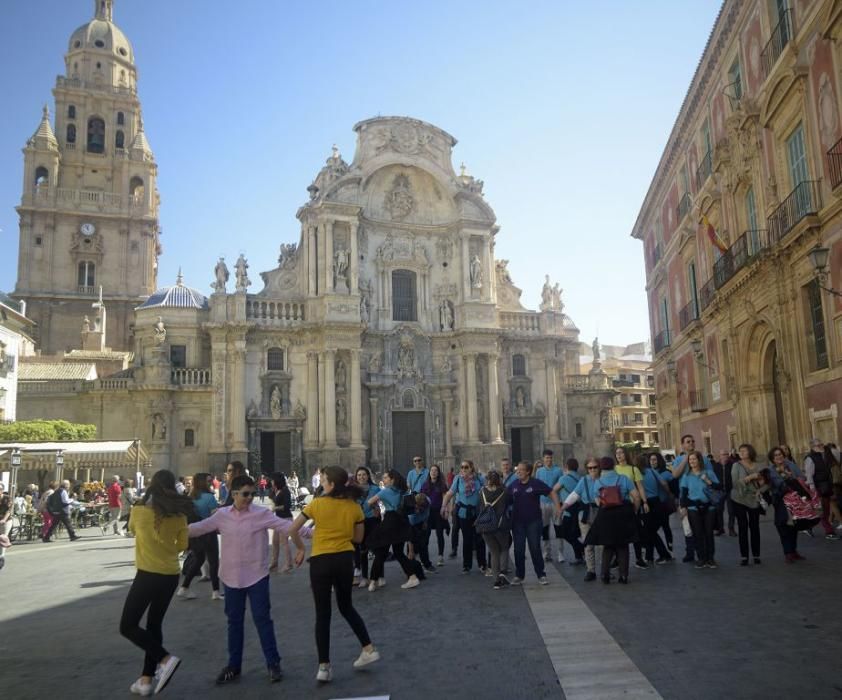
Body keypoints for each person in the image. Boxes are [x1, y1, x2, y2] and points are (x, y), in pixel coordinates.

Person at [189, 475, 307, 685]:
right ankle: (234, 666)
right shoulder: (221, 515)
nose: (250, 497)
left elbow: (286, 526)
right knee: (234, 623)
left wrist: (318, 532)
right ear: (233, 494)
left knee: (263, 620)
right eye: (245, 494)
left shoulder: (261, 514)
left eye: (252, 494)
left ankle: (273, 663)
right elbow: (199, 528)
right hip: (231, 577)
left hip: (256, 577)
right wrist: (171, 531)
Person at [289, 466, 380, 683]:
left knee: (322, 614)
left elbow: (293, 529)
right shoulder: (354, 507)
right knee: (346, 606)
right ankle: (368, 649)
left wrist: (301, 548)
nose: (320, 482)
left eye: (322, 479)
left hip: (320, 561)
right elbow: (358, 539)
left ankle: (324, 667)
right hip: (343, 561)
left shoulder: (317, 504)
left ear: (330, 484)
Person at [119, 469, 193, 696]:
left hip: (147, 575)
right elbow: (182, 546)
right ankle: (145, 680)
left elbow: (131, 530)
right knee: (154, 625)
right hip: (170, 576)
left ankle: (165, 659)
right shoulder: (180, 516)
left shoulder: (139, 511)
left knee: (128, 626)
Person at [586, 457, 639, 584]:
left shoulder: (598, 482)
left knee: (608, 545)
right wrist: (634, 511)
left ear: (601, 467)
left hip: (606, 516)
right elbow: (636, 496)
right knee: (623, 545)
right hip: (623, 514)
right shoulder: (624, 479)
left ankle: (605, 575)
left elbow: (598, 501)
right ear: (614, 465)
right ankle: (623, 576)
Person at [507, 460, 561, 585]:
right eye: (517, 469)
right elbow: (505, 499)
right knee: (518, 549)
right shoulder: (514, 485)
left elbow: (551, 492)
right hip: (517, 523)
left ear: (528, 472)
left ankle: (541, 574)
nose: (518, 471)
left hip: (534, 522)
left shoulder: (535, 484)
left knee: (535, 548)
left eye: (521, 469)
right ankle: (519, 575)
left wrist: (557, 507)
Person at [366, 469, 421, 590]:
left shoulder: (385, 492)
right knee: (398, 552)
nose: (383, 480)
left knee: (380, 552)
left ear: (392, 480)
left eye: (385, 478)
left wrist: (375, 507)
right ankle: (412, 577)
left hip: (390, 522)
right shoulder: (402, 491)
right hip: (401, 522)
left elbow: (369, 503)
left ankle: (373, 581)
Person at [177, 473, 222, 600]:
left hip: (194, 533)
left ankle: (184, 588)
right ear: (202, 482)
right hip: (208, 532)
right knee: (213, 562)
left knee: (199, 560)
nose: (210, 483)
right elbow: (215, 517)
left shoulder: (190, 497)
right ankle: (216, 592)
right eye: (208, 481)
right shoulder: (209, 498)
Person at [763, 448, 812, 562]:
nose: (778, 457)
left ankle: (793, 551)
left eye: (780, 454)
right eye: (775, 455)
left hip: (795, 500)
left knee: (795, 525)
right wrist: (786, 480)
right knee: (782, 525)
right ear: (772, 459)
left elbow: (802, 477)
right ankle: (787, 552)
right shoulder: (770, 470)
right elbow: (772, 485)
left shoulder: (790, 465)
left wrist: (793, 477)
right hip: (781, 500)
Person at [441, 460, 487, 574]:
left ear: (471, 468)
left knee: (480, 539)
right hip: (464, 512)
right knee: (467, 539)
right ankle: (467, 565)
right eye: (461, 467)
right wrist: (443, 506)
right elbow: (449, 493)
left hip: (478, 512)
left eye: (466, 467)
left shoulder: (479, 479)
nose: (463, 469)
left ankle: (483, 564)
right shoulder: (458, 479)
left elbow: (487, 491)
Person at [679, 451, 721, 569]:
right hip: (693, 507)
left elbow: (719, 487)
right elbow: (683, 494)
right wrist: (683, 508)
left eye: (694, 459)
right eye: (690, 460)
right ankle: (701, 558)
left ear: (699, 460)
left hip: (709, 507)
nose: (692, 461)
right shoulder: (686, 476)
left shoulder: (709, 473)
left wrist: (708, 481)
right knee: (698, 534)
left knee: (709, 533)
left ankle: (710, 558)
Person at [560, 458, 601, 581]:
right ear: (587, 469)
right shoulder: (583, 480)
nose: (592, 470)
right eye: (590, 468)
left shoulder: (603, 480)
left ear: (599, 468)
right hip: (585, 514)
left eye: (595, 467)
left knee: (603, 544)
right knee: (588, 543)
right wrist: (563, 507)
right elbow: (574, 495)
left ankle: (605, 569)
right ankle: (591, 570)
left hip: (601, 514)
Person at [614, 447, 649, 570]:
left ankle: (639, 558)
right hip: (617, 505)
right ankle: (618, 559)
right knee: (618, 534)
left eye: (621, 452)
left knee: (636, 532)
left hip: (632, 504)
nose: (619, 455)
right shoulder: (613, 469)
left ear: (626, 454)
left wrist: (644, 502)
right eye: (617, 453)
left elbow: (640, 487)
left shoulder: (633, 469)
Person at [731, 443, 765, 565]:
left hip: (753, 498)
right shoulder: (736, 465)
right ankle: (744, 556)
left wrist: (760, 490)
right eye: (740, 451)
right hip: (739, 499)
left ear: (750, 452)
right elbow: (735, 483)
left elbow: (764, 482)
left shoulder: (758, 466)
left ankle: (756, 555)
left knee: (755, 527)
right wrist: (750, 477)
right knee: (742, 527)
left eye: (744, 451)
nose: (741, 453)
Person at [478, 470, 511, 589]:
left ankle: (496, 580)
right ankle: (503, 572)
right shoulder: (504, 491)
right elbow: (510, 504)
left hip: (485, 526)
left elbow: (479, 507)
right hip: (501, 525)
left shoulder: (481, 491)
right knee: (504, 548)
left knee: (494, 551)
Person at [804, 438, 841, 539]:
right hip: (818, 488)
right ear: (812, 447)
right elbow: (809, 475)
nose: (821, 447)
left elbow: (837, 456)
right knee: (823, 511)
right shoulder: (810, 458)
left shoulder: (825, 455)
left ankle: (808, 526)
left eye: (822, 444)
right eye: (818, 445)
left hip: (826, 486)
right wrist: (813, 490)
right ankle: (829, 532)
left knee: (825, 510)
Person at [640, 455, 673, 564]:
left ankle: (663, 555)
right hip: (656, 501)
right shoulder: (652, 471)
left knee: (649, 530)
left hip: (645, 503)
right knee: (650, 530)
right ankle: (651, 556)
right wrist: (668, 494)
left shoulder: (637, 473)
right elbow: (663, 483)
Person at [353, 467, 380, 588]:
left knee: (376, 548)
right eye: (359, 475)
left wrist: (377, 509)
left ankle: (379, 575)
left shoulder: (375, 488)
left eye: (364, 475)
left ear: (368, 476)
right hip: (360, 521)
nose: (361, 477)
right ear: (356, 477)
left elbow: (382, 501)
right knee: (362, 549)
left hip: (373, 520)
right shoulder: (353, 490)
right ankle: (364, 577)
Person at [535, 449, 563, 562]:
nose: (549, 460)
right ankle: (547, 553)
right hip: (543, 503)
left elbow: (561, 484)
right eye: (547, 458)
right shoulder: (539, 471)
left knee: (559, 528)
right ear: (543, 458)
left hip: (555, 503)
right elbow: (536, 487)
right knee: (544, 529)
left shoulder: (558, 470)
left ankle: (560, 553)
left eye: (550, 458)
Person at [556, 458, 585, 565]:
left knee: (566, 533)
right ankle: (579, 557)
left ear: (566, 466)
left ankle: (582, 549)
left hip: (568, 509)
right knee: (575, 533)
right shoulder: (581, 478)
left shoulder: (564, 478)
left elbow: (553, 490)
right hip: (579, 509)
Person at [421, 464, 448, 566]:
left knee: (439, 534)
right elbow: (421, 497)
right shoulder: (425, 485)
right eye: (432, 470)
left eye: (435, 470)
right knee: (426, 535)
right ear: (429, 472)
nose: (433, 472)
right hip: (427, 513)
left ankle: (440, 556)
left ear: (438, 472)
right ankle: (425, 557)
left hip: (438, 512)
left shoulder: (442, 485)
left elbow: (445, 497)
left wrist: (445, 509)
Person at [269, 473, 294, 573]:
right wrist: (273, 491)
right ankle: (274, 564)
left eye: (272, 480)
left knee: (284, 542)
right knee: (275, 542)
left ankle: (289, 564)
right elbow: (272, 499)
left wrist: (275, 508)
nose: (271, 482)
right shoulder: (276, 490)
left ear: (277, 480)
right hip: (278, 519)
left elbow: (287, 506)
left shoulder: (285, 491)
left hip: (286, 519)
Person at [408, 492, 434, 572]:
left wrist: (425, 522)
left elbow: (428, 512)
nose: (419, 510)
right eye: (418, 508)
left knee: (423, 544)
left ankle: (427, 564)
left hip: (422, 522)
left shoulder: (428, 501)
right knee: (411, 548)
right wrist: (411, 550)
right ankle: (411, 568)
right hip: (412, 525)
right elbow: (409, 537)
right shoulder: (410, 509)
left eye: (422, 508)